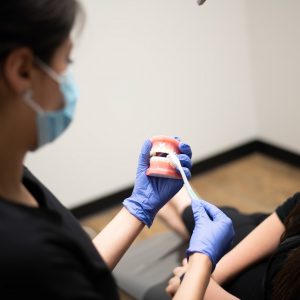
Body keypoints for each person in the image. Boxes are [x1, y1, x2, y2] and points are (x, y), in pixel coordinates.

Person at [0, 1, 234, 299]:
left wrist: (138, 207)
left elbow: (74, 272)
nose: (68, 82)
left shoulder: (16, 178)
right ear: (22, 71)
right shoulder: (20, 254)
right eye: (66, 61)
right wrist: (201, 262)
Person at [163, 188, 300, 299]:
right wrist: (209, 273)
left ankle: (174, 197)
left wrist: (197, 282)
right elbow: (290, 211)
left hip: (278, 286)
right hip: (288, 238)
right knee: (230, 224)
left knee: (214, 222)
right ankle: (174, 199)